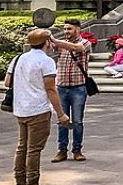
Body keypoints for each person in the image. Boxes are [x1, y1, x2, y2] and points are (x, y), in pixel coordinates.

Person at [9, 29, 70, 185]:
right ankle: (32, 180)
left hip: (21, 109)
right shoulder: (46, 61)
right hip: (38, 109)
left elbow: (7, 82)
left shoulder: (20, 58)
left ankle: (20, 179)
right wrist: (61, 114)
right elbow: (51, 89)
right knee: (34, 149)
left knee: (22, 147)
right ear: (47, 42)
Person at [49, 21, 91, 163]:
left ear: (77, 30)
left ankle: (77, 150)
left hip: (78, 88)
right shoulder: (60, 45)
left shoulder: (85, 43)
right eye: (65, 29)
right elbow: (47, 47)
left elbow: (76, 48)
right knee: (62, 120)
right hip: (61, 88)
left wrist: (55, 40)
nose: (66, 31)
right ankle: (62, 150)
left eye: (69, 29)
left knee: (77, 121)